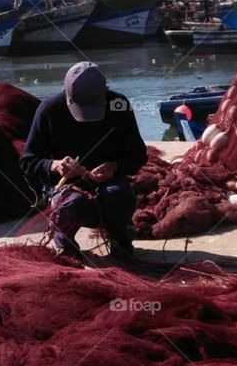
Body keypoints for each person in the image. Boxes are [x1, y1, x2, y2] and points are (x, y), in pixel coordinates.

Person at [21, 61, 147, 260]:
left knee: (118, 196)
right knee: (71, 203)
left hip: (109, 183)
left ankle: (120, 239)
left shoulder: (119, 105)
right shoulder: (49, 110)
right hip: (65, 185)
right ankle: (65, 244)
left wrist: (116, 166)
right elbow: (28, 161)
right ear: (67, 95)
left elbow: (139, 155)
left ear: (105, 93)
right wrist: (55, 165)